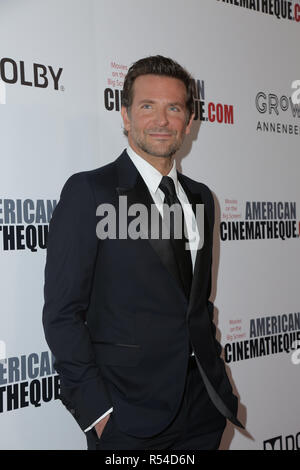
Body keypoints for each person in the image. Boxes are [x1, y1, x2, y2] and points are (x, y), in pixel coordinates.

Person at [42, 55, 242, 450]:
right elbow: (62, 314)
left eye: (174, 108)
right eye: (147, 106)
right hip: (128, 417)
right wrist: (99, 415)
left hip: (203, 409)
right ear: (126, 116)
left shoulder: (202, 198)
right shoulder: (91, 192)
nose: (161, 120)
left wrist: (216, 387)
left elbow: (196, 304)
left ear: (188, 120)